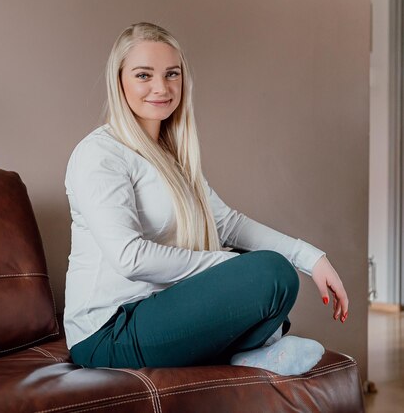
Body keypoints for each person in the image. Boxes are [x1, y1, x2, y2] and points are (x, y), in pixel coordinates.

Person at [63, 22, 349, 376]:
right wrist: (224, 263)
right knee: (269, 273)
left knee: (263, 268)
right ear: (119, 80)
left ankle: (251, 353)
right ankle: (258, 346)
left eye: (172, 74)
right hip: (108, 333)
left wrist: (312, 258)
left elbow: (227, 223)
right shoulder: (100, 154)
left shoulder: (171, 156)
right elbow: (129, 257)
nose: (161, 87)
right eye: (143, 75)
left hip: (157, 310)